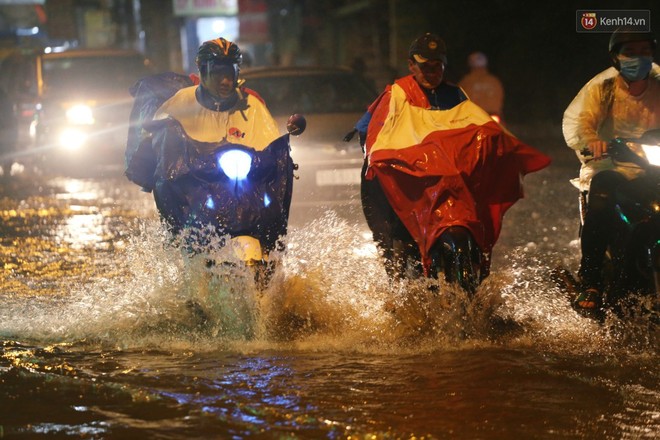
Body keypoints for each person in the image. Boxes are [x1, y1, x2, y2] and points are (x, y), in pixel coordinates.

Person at [355, 33, 550, 281]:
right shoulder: (396, 95)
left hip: (447, 188)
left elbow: (483, 128)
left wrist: (503, 149)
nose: (431, 72)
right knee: (395, 246)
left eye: (437, 66)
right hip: (408, 187)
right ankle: (396, 285)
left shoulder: (456, 95)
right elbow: (367, 133)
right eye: (425, 66)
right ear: (411, 65)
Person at [125, 37, 284, 244]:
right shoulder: (181, 102)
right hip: (194, 193)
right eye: (218, 73)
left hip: (241, 191)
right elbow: (156, 138)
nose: (225, 81)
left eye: (230, 73)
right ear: (202, 71)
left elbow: (271, 144)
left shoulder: (252, 105)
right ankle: (178, 243)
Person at [562, 29, 660, 312]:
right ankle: (591, 280)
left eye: (644, 51)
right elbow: (578, 123)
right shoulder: (601, 88)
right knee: (603, 190)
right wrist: (592, 141)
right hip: (611, 165)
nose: (638, 58)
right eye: (630, 52)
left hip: (650, 167)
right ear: (616, 57)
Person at [458, 51, 504, 120]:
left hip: (472, 114)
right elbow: (500, 96)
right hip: (492, 115)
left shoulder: (466, 80)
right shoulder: (494, 81)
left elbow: (457, 96)